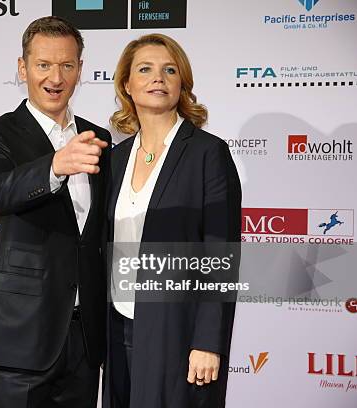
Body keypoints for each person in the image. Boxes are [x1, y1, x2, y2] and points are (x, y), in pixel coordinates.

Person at [0, 16, 111, 408]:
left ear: (81, 69)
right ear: (22, 67)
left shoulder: (98, 140)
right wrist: (55, 166)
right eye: (43, 65)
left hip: (85, 341)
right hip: (21, 337)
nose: (56, 77)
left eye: (67, 65)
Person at [104, 34, 242, 408]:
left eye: (169, 70)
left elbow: (222, 257)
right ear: (127, 85)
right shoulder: (115, 160)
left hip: (179, 333)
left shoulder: (207, 154)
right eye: (145, 69)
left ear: (182, 83)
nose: (158, 78)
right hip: (118, 329)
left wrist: (208, 342)